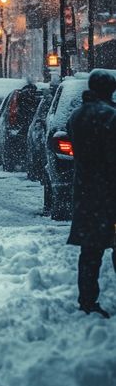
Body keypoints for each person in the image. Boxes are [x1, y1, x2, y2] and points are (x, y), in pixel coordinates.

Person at [67, 69, 116, 318]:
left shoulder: (76, 115)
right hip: (109, 192)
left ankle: (87, 300)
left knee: (90, 251)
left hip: (86, 190)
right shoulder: (110, 116)